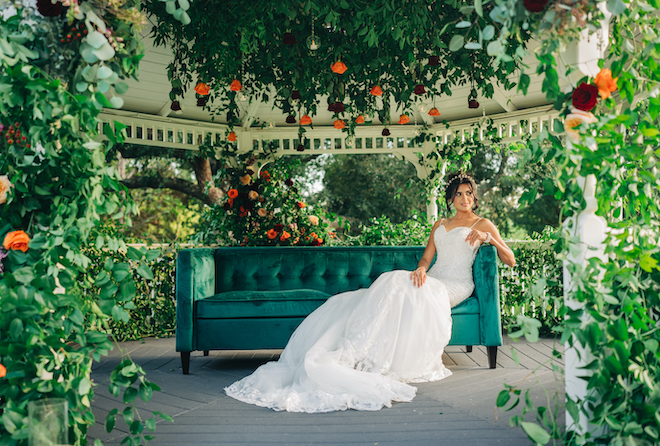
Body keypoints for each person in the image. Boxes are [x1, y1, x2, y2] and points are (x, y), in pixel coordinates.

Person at [225, 172, 515, 413]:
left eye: (469, 194)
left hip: (456, 284)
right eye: (459, 194)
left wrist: (490, 239)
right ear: (450, 198)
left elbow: (510, 259)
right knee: (393, 282)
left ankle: (373, 352)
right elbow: (427, 258)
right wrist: (422, 269)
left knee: (397, 284)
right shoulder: (439, 224)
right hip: (434, 277)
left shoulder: (482, 224)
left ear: (474, 197)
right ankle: (357, 347)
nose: (465, 199)